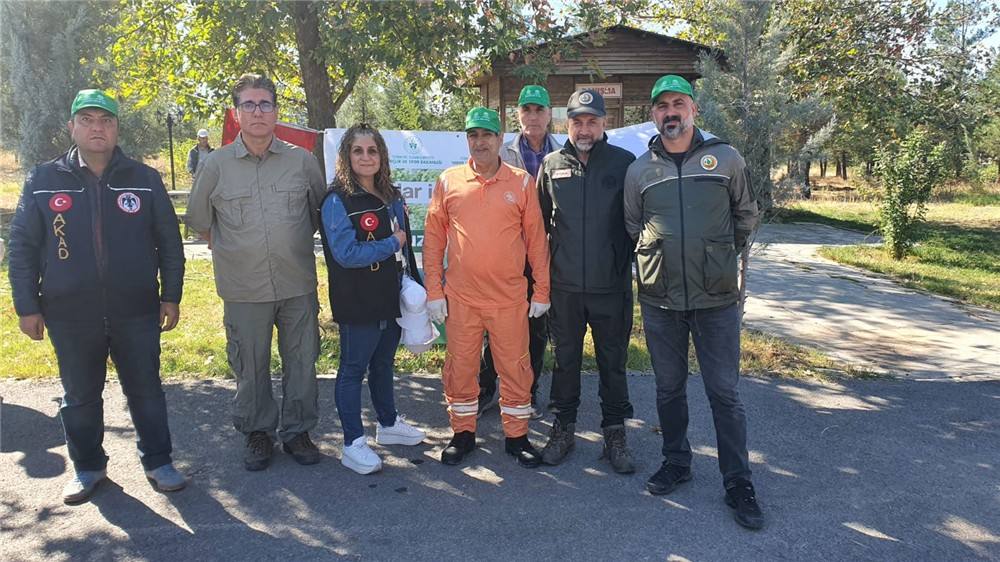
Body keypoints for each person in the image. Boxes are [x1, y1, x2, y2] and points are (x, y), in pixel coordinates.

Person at [8, 89, 187, 503]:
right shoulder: (42, 180)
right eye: (87, 120)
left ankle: (159, 462)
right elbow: (21, 247)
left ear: (116, 128)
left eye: (105, 120)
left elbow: (169, 242)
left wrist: (171, 295)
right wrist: (26, 306)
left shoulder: (144, 179)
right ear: (72, 127)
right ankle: (88, 468)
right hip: (70, 312)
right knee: (80, 396)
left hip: (136, 308)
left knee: (145, 391)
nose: (97, 128)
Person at [624, 75, 763, 529]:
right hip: (661, 298)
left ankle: (737, 481)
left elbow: (746, 216)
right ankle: (677, 462)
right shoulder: (641, 169)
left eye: (678, 104)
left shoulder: (725, 158)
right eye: (661, 106)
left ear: (693, 110)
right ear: (653, 115)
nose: (670, 112)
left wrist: (717, 255)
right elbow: (634, 226)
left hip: (716, 299)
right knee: (668, 388)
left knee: (724, 392)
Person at [186, 73, 327, 472]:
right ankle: (257, 433)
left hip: (296, 282)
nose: (258, 112)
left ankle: (298, 431)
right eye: (248, 104)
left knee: (302, 359)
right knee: (250, 363)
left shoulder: (302, 161)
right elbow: (200, 219)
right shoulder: (215, 165)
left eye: (265, 104)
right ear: (236, 112)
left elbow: (319, 214)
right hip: (243, 287)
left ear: (276, 111)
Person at [423, 107, 550, 468]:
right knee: (461, 368)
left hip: (509, 299)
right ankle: (463, 434)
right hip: (461, 299)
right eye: (473, 135)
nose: (480, 142)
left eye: (487, 135)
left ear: (499, 139)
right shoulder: (448, 181)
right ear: (467, 139)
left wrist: (541, 292)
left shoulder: (522, 182)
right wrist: (434, 291)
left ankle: (517, 436)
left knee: (515, 368)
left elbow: (537, 241)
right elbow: (433, 241)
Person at [535, 89, 638, 473]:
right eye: (577, 121)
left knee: (613, 362)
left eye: (592, 120)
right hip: (564, 289)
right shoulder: (551, 164)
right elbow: (537, 225)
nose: (584, 128)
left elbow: (637, 224)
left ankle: (615, 432)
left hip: (610, 288)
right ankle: (563, 428)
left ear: (604, 123)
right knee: (565, 361)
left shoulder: (624, 163)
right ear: (567, 123)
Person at [319, 124, 426, 475]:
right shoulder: (337, 199)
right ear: (346, 157)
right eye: (358, 151)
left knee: (383, 365)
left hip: (389, 295)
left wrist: (416, 283)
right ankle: (352, 443)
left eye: (372, 150)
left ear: (382, 155)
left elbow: (405, 247)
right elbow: (346, 253)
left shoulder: (391, 195)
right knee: (353, 369)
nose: (366, 157)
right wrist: (390, 243)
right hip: (357, 299)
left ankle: (388, 423)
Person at [477, 85, 559, 420]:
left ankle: (528, 390)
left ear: (550, 114)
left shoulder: (563, 153)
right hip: (504, 256)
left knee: (536, 329)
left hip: (545, 255)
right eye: (527, 110)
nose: (533, 116)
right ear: (518, 115)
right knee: (495, 326)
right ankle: (485, 389)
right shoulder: (502, 151)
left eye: (539, 110)